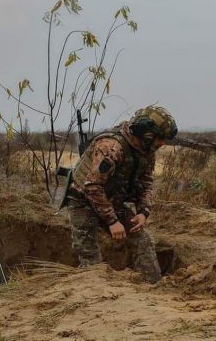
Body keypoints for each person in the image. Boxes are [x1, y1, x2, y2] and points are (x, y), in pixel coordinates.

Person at [66, 106, 178, 283]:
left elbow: (146, 182)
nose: (162, 143)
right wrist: (112, 221)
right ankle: (94, 294)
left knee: (143, 239)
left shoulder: (146, 150)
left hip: (112, 200)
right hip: (82, 200)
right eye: (160, 138)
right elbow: (92, 186)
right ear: (147, 134)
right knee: (89, 254)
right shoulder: (111, 148)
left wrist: (143, 212)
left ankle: (153, 288)